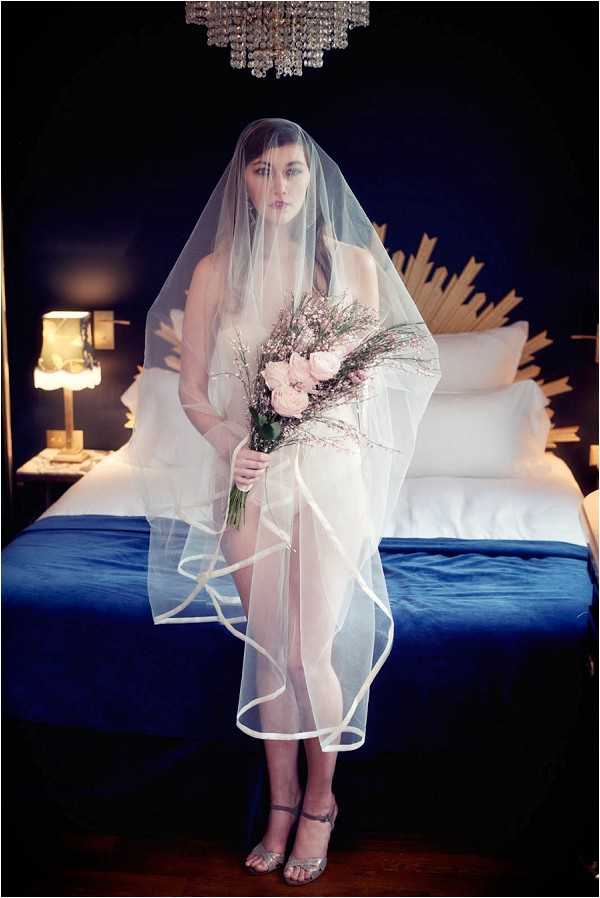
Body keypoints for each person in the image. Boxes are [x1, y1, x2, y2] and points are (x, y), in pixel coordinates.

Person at [130, 118, 441, 885]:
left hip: (329, 474)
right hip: (248, 479)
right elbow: (193, 391)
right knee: (269, 649)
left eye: (292, 171)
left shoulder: (353, 266)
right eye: (263, 171)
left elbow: (368, 380)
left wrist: (313, 401)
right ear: (244, 181)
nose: (278, 186)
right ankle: (279, 802)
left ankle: (322, 805)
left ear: (312, 180)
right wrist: (234, 443)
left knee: (310, 648)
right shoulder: (216, 273)